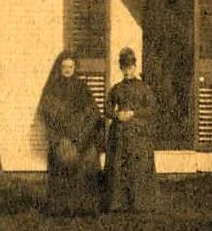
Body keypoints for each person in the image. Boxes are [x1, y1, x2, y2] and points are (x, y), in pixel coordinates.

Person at [36, 51, 104, 214]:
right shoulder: (52, 89)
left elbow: (93, 114)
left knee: (88, 158)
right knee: (64, 157)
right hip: (61, 138)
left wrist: (81, 137)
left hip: (82, 137)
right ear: (60, 68)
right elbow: (47, 116)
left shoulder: (82, 88)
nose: (67, 69)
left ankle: (84, 207)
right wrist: (61, 138)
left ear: (75, 68)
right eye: (64, 66)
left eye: (70, 66)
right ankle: (61, 207)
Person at [105, 45, 158, 213]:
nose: (127, 71)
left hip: (138, 133)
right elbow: (106, 109)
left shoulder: (144, 88)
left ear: (135, 67)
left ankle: (140, 203)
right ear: (120, 68)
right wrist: (117, 115)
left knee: (138, 166)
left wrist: (134, 113)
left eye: (130, 67)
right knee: (119, 166)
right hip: (120, 133)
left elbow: (151, 109)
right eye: (124, 68)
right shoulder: (116, 89)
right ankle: (118, 203)